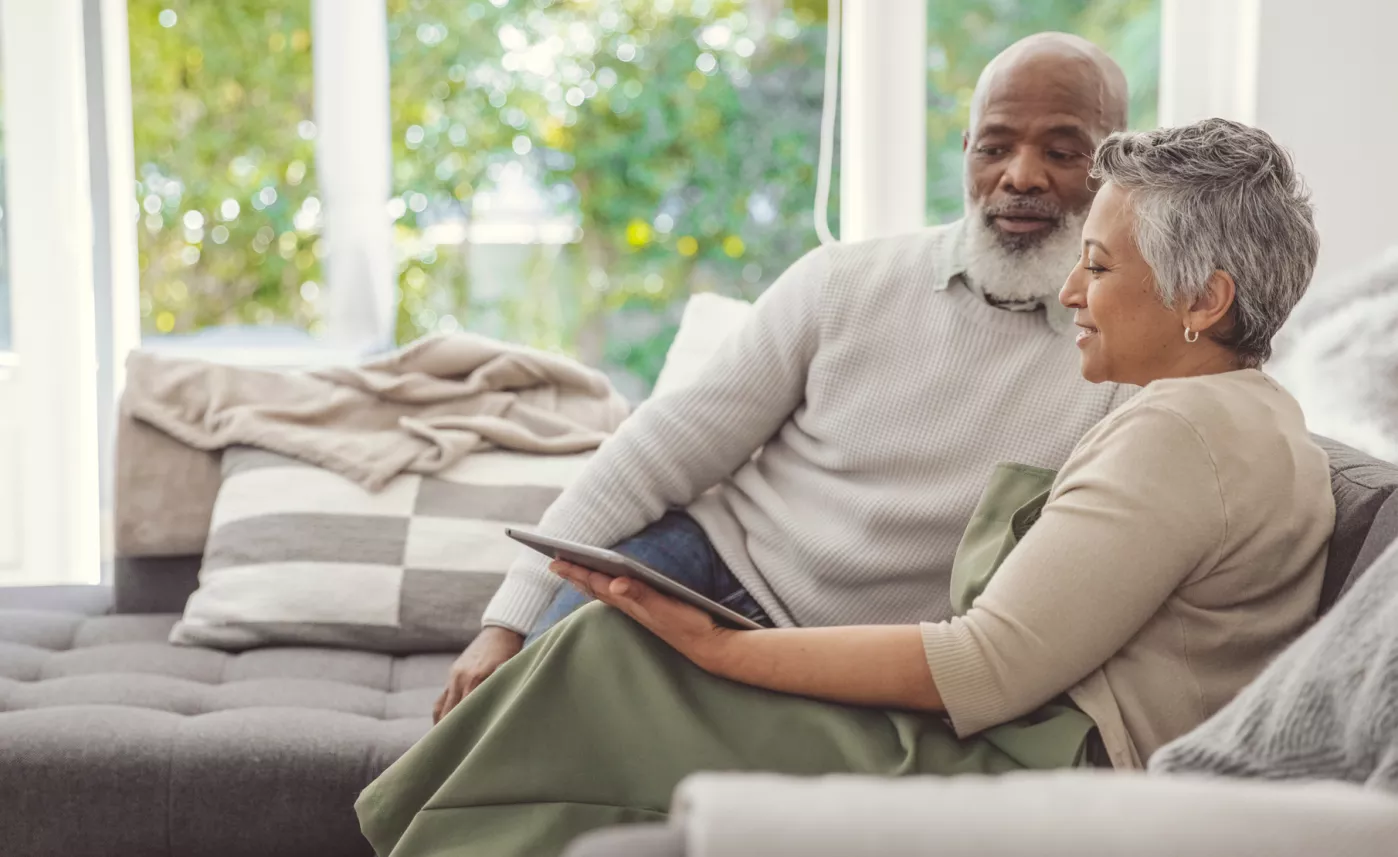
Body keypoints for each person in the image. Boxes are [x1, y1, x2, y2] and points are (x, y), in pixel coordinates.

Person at [357, 118, 1335, 857]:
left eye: (1099, 265)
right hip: (1037, 738)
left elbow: (986, 664)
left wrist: (721, 643)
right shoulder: (1253, 414)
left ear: (1204, 298)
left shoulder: (1177, 426)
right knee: (610, 647)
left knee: (615, 655)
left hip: (1035, 761)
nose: (1073, 292)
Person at [435, 31, 1137, 722]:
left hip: (860, 663)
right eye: (994, 146)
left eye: (1061, 151)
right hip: (704, 569)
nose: (1020, 175)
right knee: (509, 722)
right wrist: (506, 622)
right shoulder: (842, 283)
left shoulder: (1129, 365)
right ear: (966, 154)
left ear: (1115, 168)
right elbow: (660, 451)